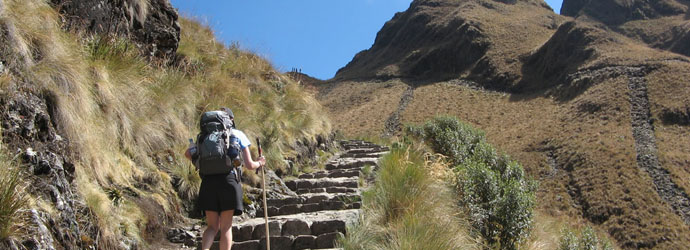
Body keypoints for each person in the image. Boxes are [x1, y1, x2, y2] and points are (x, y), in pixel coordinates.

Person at [185, 108, 265, 250]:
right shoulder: (237, 134)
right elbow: (249, 165)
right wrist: (260, 162)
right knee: (226, 227)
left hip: (208, 183)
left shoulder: (203, 136)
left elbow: (188, 153)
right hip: (229, 181)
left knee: (212, 226)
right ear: (230, 120)